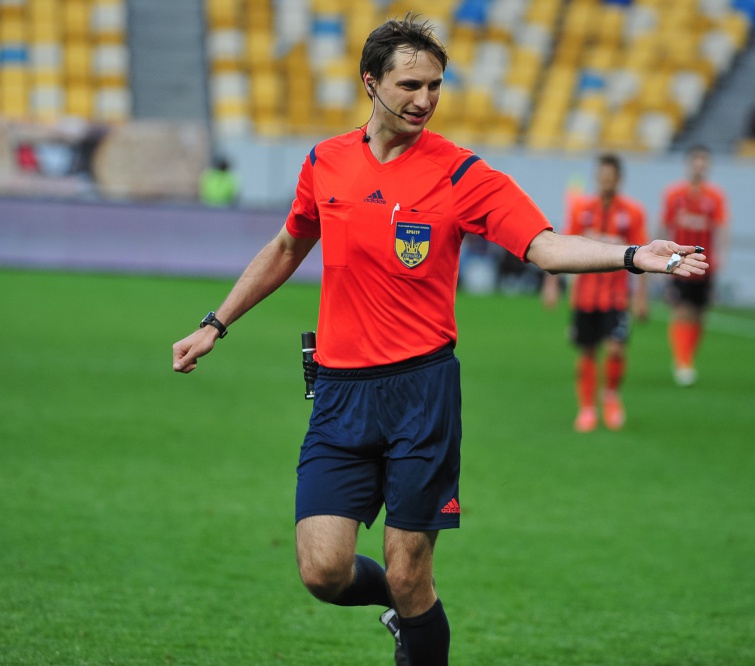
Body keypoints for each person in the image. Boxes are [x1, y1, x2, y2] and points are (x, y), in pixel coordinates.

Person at [171, 15, 707, 666]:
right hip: (339, 394)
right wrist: (215, 324)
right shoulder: (325, 162)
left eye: (435, 86)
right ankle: (404, 613)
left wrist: (631, 256)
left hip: (420, 395)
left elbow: (543, 247)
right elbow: (288, 246)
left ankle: (413, 618)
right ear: (370, 82)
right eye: (410, 84)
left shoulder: (460, 174)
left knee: (409, 573)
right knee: (322, 571)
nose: (424, 99)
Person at [541, 153, 648, 433]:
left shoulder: (633, 212)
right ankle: (587, 408)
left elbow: (644, 256)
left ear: (618, 179)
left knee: (615, 349)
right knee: (587, 351)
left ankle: (610, 395)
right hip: (585, 296)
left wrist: (641, 297)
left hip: (616, 296)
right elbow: (561, 247)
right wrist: (551, 285)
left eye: (610, 178)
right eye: (601, 177)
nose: (605, 182)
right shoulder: (582, 209)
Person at [660, 145, 729, 386]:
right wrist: (662, 256)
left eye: (704, 161)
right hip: (678, 258)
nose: (700, 166)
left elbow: (721, 227)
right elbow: (664, 224)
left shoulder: (715, 196)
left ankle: (686, 357)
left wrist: (722, 255)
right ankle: (682, 362)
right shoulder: (674, 194)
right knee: (681, 309)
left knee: (699, 313)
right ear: (689, 164)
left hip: (704, 260)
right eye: (696, 160)